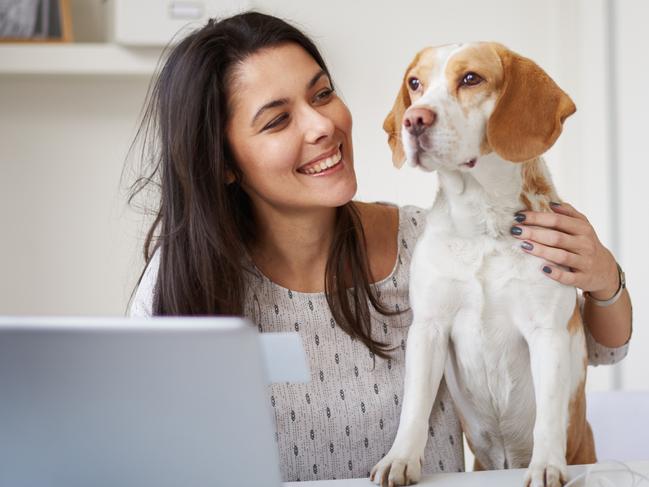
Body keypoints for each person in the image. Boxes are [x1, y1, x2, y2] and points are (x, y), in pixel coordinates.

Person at [127, 11, 633, 482]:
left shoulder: (429, 242)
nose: (322, 125)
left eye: (322, 94)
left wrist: (605, 280)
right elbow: (142, 451)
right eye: (278, 120)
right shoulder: (183, 282)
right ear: (224, 163)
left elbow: (593, 350)